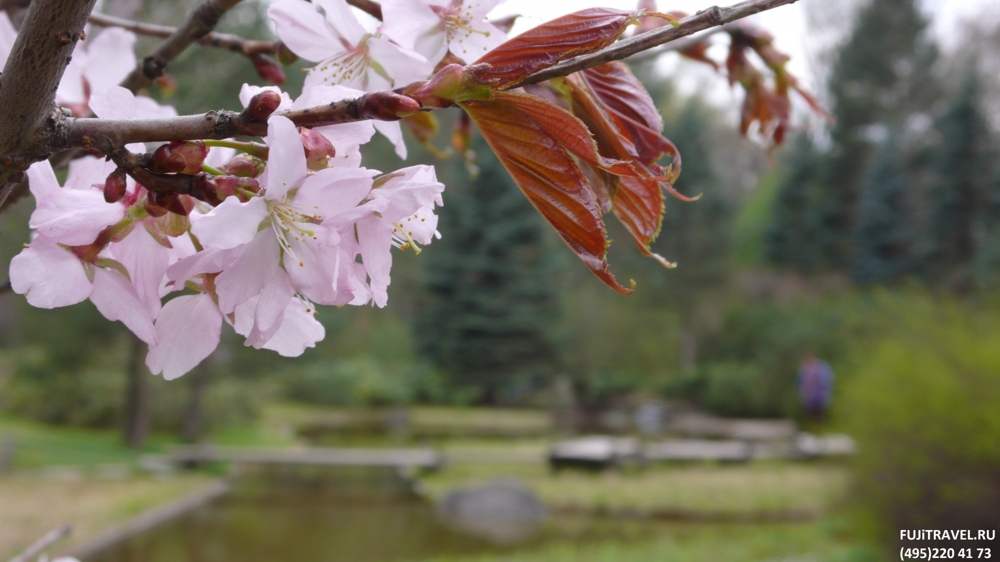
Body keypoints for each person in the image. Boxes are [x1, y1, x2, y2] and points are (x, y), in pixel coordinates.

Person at [797, 352, 834, 419]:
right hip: (808, 397)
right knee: (809, 414)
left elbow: (827, 381)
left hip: (820, 395)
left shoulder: (822, 367)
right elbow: (800, 382)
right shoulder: (804, 368)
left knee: (821, 413)